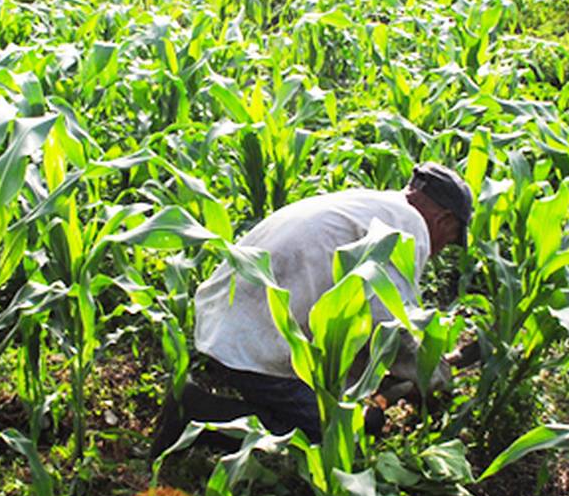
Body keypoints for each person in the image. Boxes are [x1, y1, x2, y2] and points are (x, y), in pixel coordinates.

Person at [150, 162, 474, 457]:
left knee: (341, 413)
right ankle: (196, 412)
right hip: (257, 339)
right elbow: (387, 327)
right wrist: (433, 374)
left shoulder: (372, 204)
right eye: (451, 240)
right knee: (333, 440)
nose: (440, 252)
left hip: (225, 319)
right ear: (444, 219)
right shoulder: (408, 229)